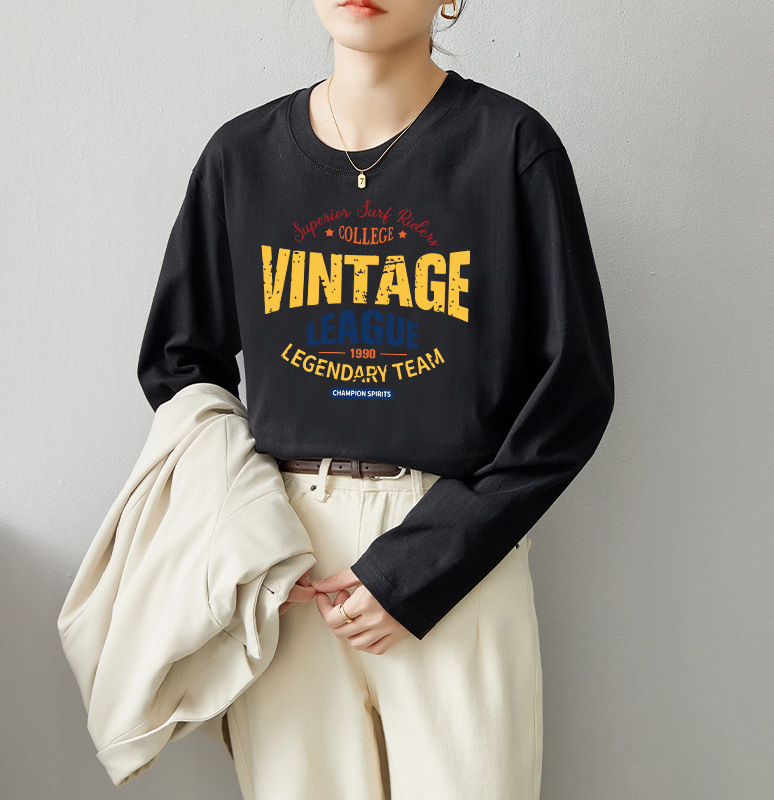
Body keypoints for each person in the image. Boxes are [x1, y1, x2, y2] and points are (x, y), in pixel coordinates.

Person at [136, 1, 615, 797]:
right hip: (290, 559)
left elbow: (573, 388)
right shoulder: (241, 158)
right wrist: (247, 525)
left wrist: (426, 563)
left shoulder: (510, 147)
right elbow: (180, 365)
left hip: (461, 552)